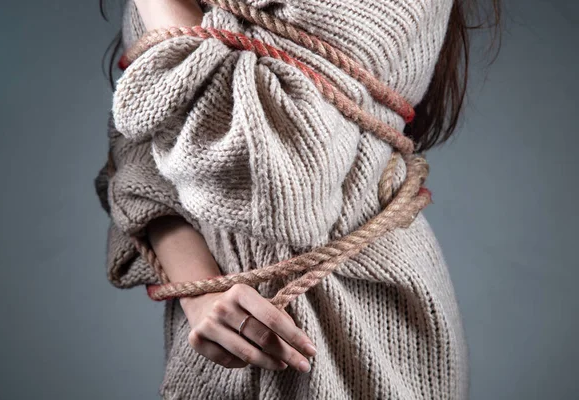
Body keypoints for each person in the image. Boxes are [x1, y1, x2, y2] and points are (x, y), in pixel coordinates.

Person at [95, 0, 501, 398]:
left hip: (358, 330)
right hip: (216, 343)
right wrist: (203, 293)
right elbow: (139, 156)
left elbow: (281, 174)